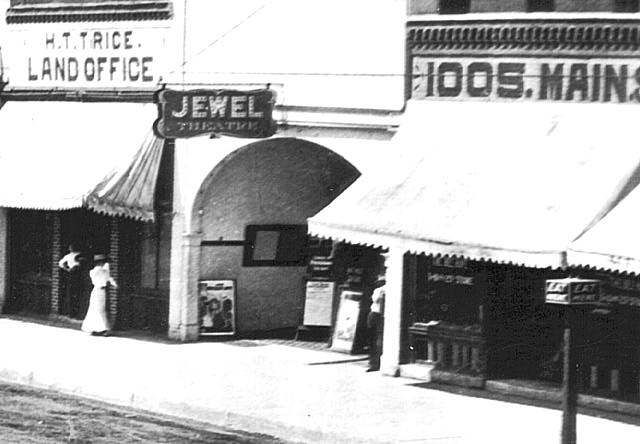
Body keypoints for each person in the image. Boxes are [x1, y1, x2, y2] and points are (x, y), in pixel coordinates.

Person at [81, 254, 117, 336]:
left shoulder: (104, 270)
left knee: (101, 309)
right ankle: (99, 328)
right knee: (96, 309)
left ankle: (100, 328)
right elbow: (100, 273)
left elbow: (109, 278)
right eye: (102, 262)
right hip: (97, 290)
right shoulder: (94, 271)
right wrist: (105, 267)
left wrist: (115, 285)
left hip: (102, 291)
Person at [58, 244, 85, 318]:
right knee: (73, 292)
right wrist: (68, 269)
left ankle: (74, 312)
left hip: (76, 273)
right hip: (74, 274)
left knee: (74, 292)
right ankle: (73, 312)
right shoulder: (70, 255)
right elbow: (60, 263)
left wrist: (67, 269)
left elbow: (60, 264)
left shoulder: (78, 254)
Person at [366, 274, 386, 372]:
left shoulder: (379, 290)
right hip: (382, 316)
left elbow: (375, 299)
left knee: (373, 339)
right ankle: (376, 362)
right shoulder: (387, 289)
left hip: (376, 314)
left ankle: (373, 362)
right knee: (379, 339)